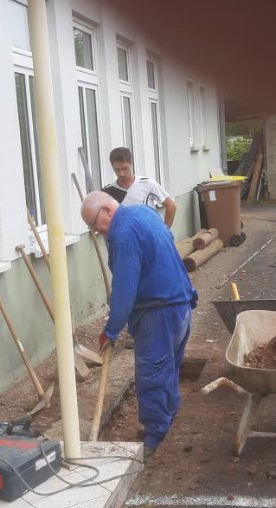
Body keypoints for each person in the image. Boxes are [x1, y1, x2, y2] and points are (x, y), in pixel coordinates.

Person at [81, 191, 197, 458]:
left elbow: (124, 288)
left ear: (107, 210)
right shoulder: (143, 213)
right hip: (180, 304)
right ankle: (168, 417)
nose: (95, 231)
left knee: (152, 374)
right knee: (168, 368)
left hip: (158, 312)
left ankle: (156, 435)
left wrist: (111, 330)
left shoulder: (123, 234)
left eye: (94, 224)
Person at [102, 147, 177, 228]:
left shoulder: (147, 183)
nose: (121, 173)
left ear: (131, 163)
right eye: (117, 169)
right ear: (112, 166)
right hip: (124, 234)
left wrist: (164, 231)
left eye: (125, 168)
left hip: (149, 233)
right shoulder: (108, 192)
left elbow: (171, 206)